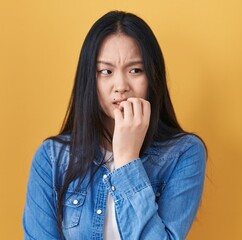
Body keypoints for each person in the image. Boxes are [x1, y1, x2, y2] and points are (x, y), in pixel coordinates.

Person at [23, 10, 206, 240]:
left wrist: (127, 159)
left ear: (153, 77)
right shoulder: (51, 159)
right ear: (90, 79)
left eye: (135, 70)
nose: (120, 85)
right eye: (106, 71)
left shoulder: (183, 153)